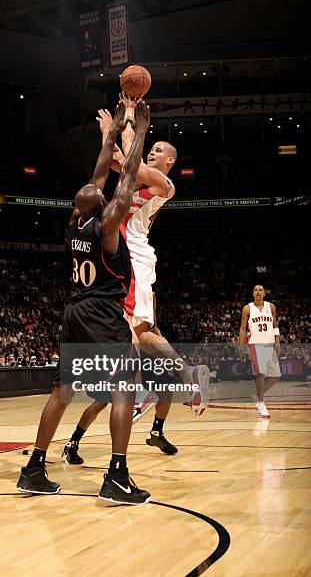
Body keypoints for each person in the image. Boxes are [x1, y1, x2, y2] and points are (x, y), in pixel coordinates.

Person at [17, 99, 152, 504]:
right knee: (126, 387)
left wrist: (112, 133)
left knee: (62, 391)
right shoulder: (108, 226)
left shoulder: (73, 220)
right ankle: (117, 477)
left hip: (74, 311)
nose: (97, 187)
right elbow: (125, 181)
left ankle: (34, 468)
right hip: (99, 312)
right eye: (98, 192)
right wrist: (140, 132)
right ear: (100, 205)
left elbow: (97, 175)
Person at [61, 101, 209, 464]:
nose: (154, 149)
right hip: (125, 262)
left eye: (160, 149)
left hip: (137, 258)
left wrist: (131, 128)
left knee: (139, 333)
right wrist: (113, 131)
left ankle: (182, 379)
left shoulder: (164, 184)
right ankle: (164, 380)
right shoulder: (138, 172)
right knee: (135, 335)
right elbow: (117, 163)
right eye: (152, 145)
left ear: (169, 162)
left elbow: (133, 166)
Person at [239, 285, 281, 418]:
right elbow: (243, 329)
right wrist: (241, 347)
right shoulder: (247, 308)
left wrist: (278, 341)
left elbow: (275, 325)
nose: (258, 292)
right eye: (256, 290)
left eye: (260, 290)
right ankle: (261, 403)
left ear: (264, 293)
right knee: (261, 373)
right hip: (255, 345)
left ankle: (256, 395)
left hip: (269, 344)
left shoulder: (271, 307)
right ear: (253, 293)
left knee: (275, 376)